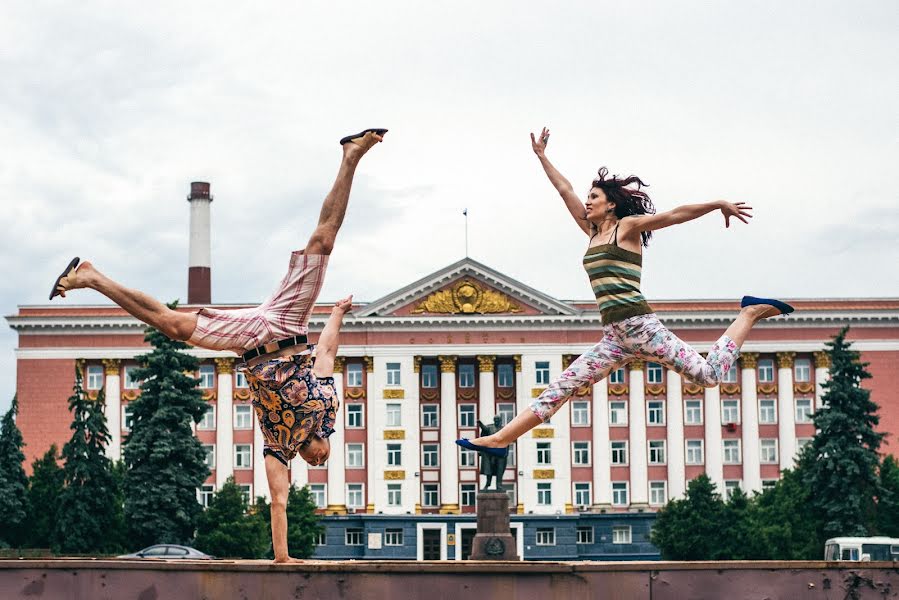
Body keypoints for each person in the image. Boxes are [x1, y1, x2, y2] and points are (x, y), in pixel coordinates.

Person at [49, 128, 387, 562]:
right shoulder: (327, 406)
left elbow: (279, 501)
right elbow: (326, 354)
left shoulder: (279, 446)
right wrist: (337, 313)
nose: (321, 463)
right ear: (325, 440)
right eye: (326, 458)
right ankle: (351, 156)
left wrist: (282, 557)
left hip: (248, 341)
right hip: (286, 322)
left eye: (317, 465)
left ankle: (91, 276)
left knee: (171, 327)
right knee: (322, 242)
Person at [457, 127, 793, 457]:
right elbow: (564, 189)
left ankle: (748, 312)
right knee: (561, 387)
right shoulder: (591, 232)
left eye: (594, 198)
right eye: (587, 197)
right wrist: (542, 156)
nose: (586, 202)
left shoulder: (626, 228)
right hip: (614, 338)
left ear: (611, 206)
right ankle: (500, 440)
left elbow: (674, 215)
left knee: (708, 376)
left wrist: (718, 203)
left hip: (642, 328)